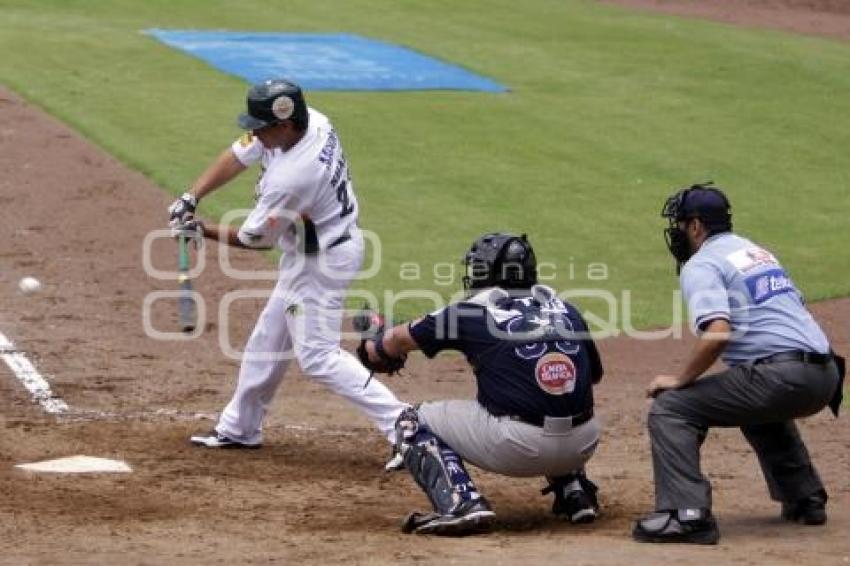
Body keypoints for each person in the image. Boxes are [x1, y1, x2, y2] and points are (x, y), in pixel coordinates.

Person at [169, 79, 409, 468]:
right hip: (314, 251)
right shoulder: (311, 120)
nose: (256, 133)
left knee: (318, 357)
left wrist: (201, 229)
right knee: (268, 338)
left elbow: (256, 239)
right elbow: (239, 152)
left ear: (284, 124)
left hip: (323, 262)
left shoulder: (293, 178)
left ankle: (406, 424)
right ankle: (240, 427)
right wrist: (192, 196)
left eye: (262, 127)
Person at [632, 182, 845, 545]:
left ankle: (687, 515)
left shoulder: (702, 264)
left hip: (784, 378)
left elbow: (718, 332)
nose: (677, 232)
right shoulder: (754, 252)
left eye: (680, 224)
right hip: (826, 376)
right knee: (748, 391)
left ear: (696, 226)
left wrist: (681, 379)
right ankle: (804, 496)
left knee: (670, 408)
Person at [358, 232, 604, 535]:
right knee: (555, 392)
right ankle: (574, 491)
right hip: (584, 443)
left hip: (519, 447)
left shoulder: (470, 313)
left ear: (488, 272)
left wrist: (374, 345)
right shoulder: (567, 310)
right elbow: (593, 376)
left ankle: (462, 503)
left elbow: (393, 342)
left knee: (410, 420)